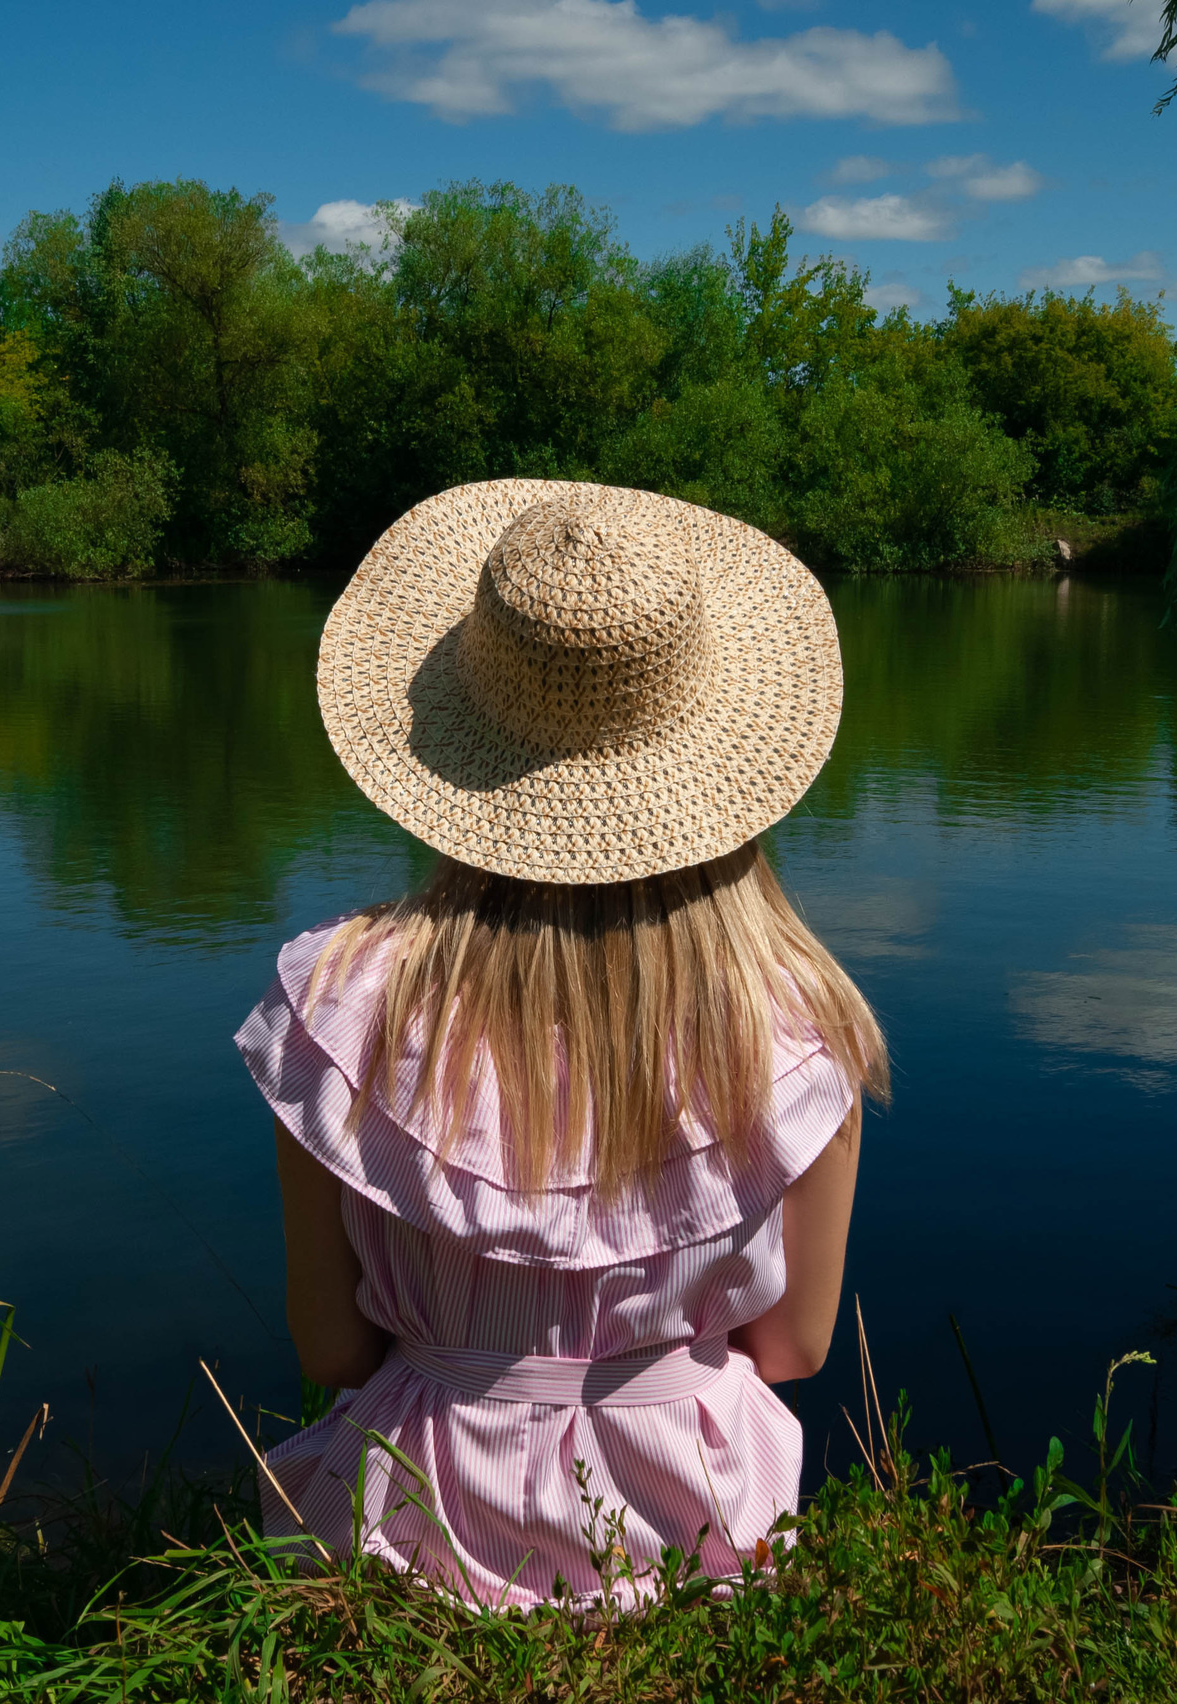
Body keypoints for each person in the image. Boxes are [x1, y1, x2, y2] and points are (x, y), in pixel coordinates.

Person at [235, 479, 888, 1608]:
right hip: (696, 1537)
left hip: (408, 1530)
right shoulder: (802, 1029)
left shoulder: (339, 1006)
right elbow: (794, 1351)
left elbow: (331, 1352)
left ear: (457, 736)